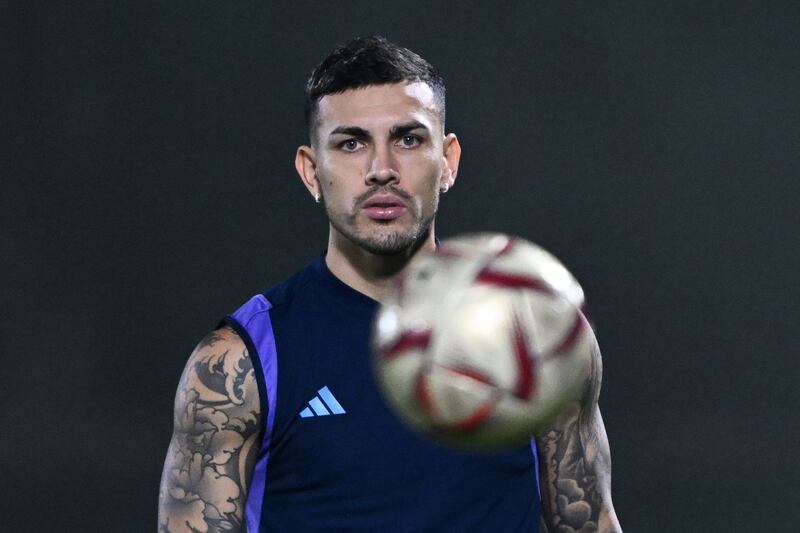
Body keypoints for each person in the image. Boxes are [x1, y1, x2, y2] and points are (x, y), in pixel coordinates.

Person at [158, 36, 621, 533]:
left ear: (449, 161)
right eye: (351, 143)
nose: (382, 170)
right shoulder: (238, 362)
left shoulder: (536, 333)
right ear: (311, 171)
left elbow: (589, 521)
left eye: (408, 139)